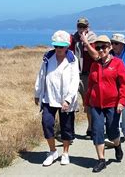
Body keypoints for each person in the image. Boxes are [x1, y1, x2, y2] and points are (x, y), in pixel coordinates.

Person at [84, 35, 125, 173]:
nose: (101, 50)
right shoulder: (94, 65)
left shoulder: (117, 63)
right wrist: (87, 102)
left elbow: (123, 84)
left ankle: (117, 145)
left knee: (112, 131)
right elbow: (90, 85)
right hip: (96, 105)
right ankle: (101, 160)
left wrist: (122, 101)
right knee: (97, 131)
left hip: (112, 104)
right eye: (98, 47)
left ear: (110, 47)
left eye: (104, 47)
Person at [34, 30, 79, 166]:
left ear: (67, 46)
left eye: (61, 46)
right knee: (47, 123)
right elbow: (41, 75)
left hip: (66, 100)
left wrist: (68, 99)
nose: (58, 49)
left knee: (66, 127)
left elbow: (74, 80)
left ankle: (65, 153)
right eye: (56, 46)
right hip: (49, 98)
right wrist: (37, 93)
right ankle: (52, 151)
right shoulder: (47, 57)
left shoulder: (72, 60)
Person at [69, 17, 97, 138]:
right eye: (79, 27)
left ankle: (91, 127)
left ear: (88, 28)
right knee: (69, 100)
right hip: (74, 74)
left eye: (83, 27)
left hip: (87, 74)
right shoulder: (73, 39)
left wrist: (85, 42)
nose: (81, 29)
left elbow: (95, 56)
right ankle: (68, 130)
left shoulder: (92, 39)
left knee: (88, 103)